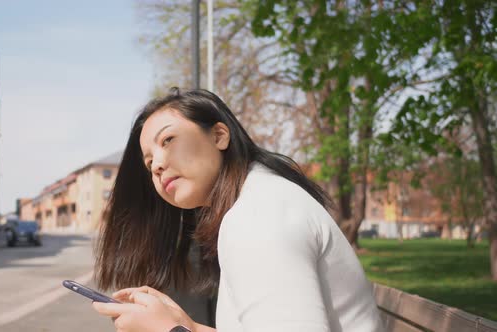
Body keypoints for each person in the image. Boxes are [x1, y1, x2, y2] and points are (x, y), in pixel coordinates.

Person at [91, 88, 384, 332]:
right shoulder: (260, 200)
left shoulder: (259, 215)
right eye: (148, 161)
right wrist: (186, 326)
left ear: (219, 135)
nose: (156, 165)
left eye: (168, 140)